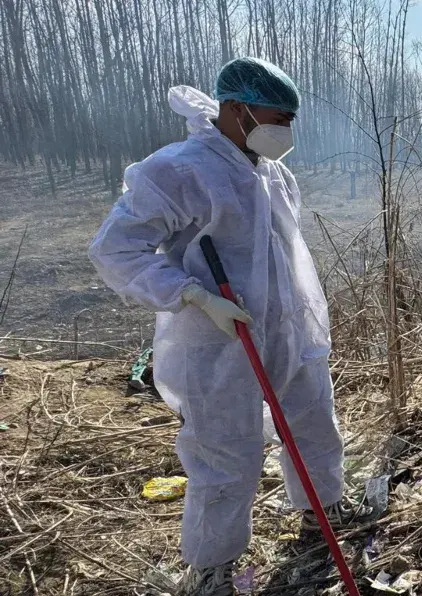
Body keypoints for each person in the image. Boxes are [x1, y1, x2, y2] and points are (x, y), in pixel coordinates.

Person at [88, 57, 373, 596]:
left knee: (314, 419)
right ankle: (212, 568)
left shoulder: (275, 174)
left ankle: (323, 507)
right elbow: (114, 250)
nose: (286, 129)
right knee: (226, 454)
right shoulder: (178, 171)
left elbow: (284, 255)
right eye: (277, 116)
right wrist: (190, 294)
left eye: (292, 118)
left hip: (287, 328)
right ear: (236, 109)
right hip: (218, 338)